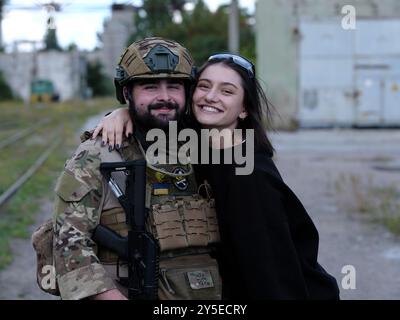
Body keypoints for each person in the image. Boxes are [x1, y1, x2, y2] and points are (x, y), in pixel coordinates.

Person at [93, 53, 340, 299]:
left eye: (227, 91)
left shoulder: (248, 175)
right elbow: (156, 115)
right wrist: (122, 114)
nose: (211, 96)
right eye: (204, 86)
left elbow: (269, 274)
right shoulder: (197, 146)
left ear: (244, 109)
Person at [47, 37, 222, 300]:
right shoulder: (97, 155)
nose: (164, 97)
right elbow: (68, 244)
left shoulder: (205, 149)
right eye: (150, 87)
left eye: (174, 86)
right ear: (127, 93)